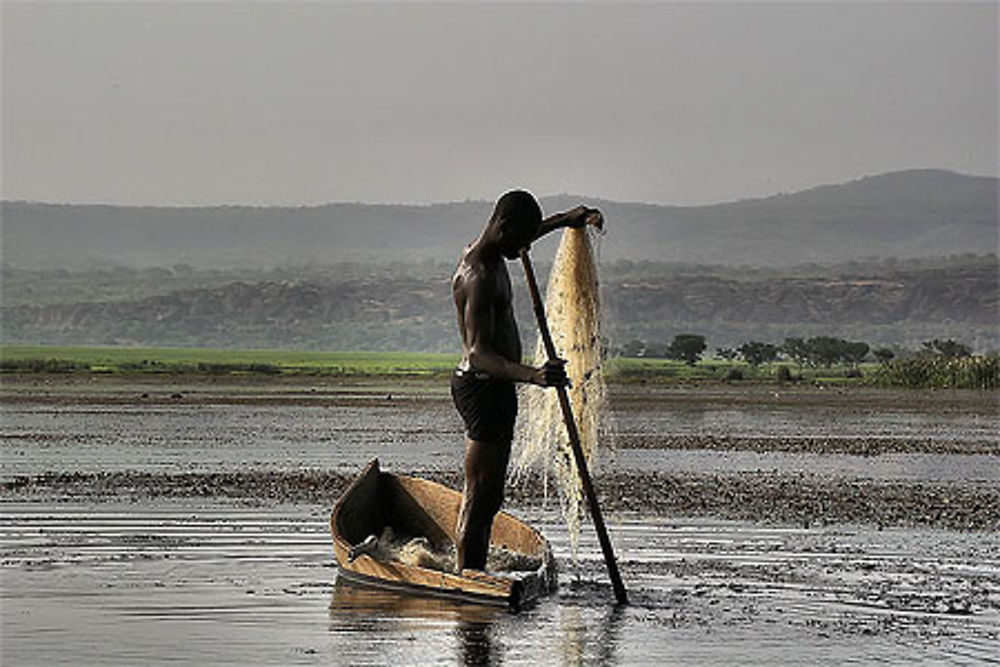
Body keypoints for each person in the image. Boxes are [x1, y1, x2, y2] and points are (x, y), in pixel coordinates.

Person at [451, 190, 603, 571]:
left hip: (498, 386)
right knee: (481, 493)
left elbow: (523, 235)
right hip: (482, 385)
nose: (523, 250)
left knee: (491, 494)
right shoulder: (480, 274)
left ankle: (473, 570)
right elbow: (477, 354)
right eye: (520, 240)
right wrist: (535, 376)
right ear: (503, 227)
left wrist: (565, 220)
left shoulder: (500, 247)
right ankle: (468, 579)